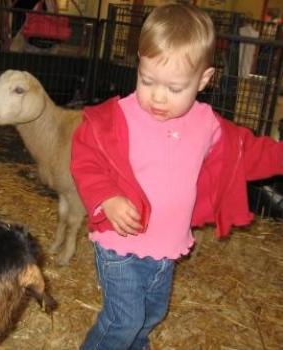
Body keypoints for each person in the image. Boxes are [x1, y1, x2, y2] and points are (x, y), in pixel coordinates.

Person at [70, 3, 283, 350]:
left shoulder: (206, 124)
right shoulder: (118, 117)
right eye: (147, 80)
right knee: (124, 320)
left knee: (152, 315)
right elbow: (86, 157)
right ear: (139, 63)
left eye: (174, 88)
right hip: (120, 244)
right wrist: (106, 197)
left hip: (166, 246)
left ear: (204, 80)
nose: (157, 96)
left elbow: (248, 152)